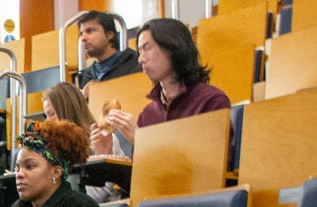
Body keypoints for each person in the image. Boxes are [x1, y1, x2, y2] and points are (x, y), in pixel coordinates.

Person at [91, 18, 230, 156]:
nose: (140, 59)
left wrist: (143, 140)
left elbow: (213, 166)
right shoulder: (148, 114)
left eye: (147, 48)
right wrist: (108, 153)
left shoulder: (212, 101)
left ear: (173, 48)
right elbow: (139, 172)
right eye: (139, 51)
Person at [43, 82, 127, 202]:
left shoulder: (103, 139)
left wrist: (104, 155)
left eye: (52, 114)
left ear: (68, 112)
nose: (47, 122)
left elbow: (94, 197)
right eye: (46, 115)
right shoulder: (53, 151)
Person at [76, 11, 141, 98]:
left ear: (110, 34)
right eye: (81, 34)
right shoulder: (85, 76)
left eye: (90, 31)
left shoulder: (136, 63)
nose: (83, 38)